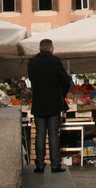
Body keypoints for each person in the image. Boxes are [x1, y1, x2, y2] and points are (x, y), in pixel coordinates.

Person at [27, 39, 72, 174]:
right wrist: (61, 94)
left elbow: (31, 78)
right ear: (51, 48)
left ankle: (40, 165)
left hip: (39, 102)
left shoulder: (32, 62)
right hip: (53, 103)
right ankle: (55, 165)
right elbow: (66, 80)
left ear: (40, 48)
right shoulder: (55, 61)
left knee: (40, 134)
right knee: (53, 134)